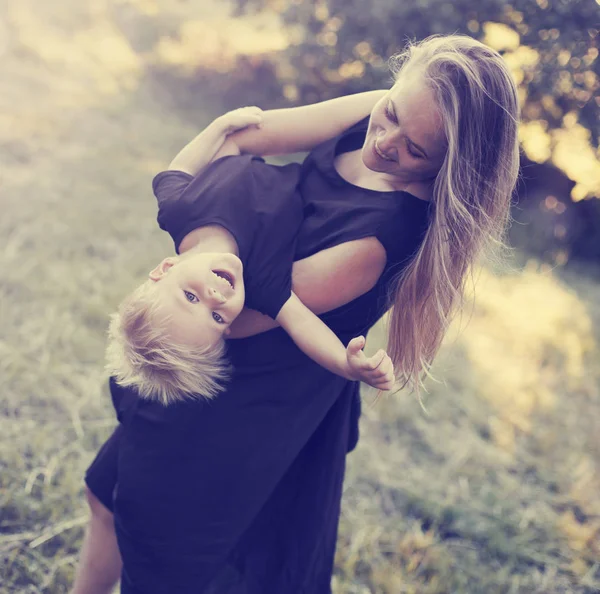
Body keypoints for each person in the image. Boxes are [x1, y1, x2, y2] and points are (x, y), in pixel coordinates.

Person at [70, 34, 520, 594]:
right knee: (106, 496)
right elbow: (246, 134)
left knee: (164, 554)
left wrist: (205, 242)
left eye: (416, 150)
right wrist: (209, 216)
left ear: (450, 165)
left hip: (245, 391)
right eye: (391, 112)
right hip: (201, 343)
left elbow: (237, 312)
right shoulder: (387, 111)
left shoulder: (381, 238)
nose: (385, 141)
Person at [105, 107, 395, 406]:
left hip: (242, 151)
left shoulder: (178, 211)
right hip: (312, 191)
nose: (215, 298)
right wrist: (345, 365)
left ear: (165, 268)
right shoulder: (263, 282)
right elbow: (303, 325)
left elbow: (176, 170)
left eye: (191, 297)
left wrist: (218, 126)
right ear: (229, 329)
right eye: (216, 317)